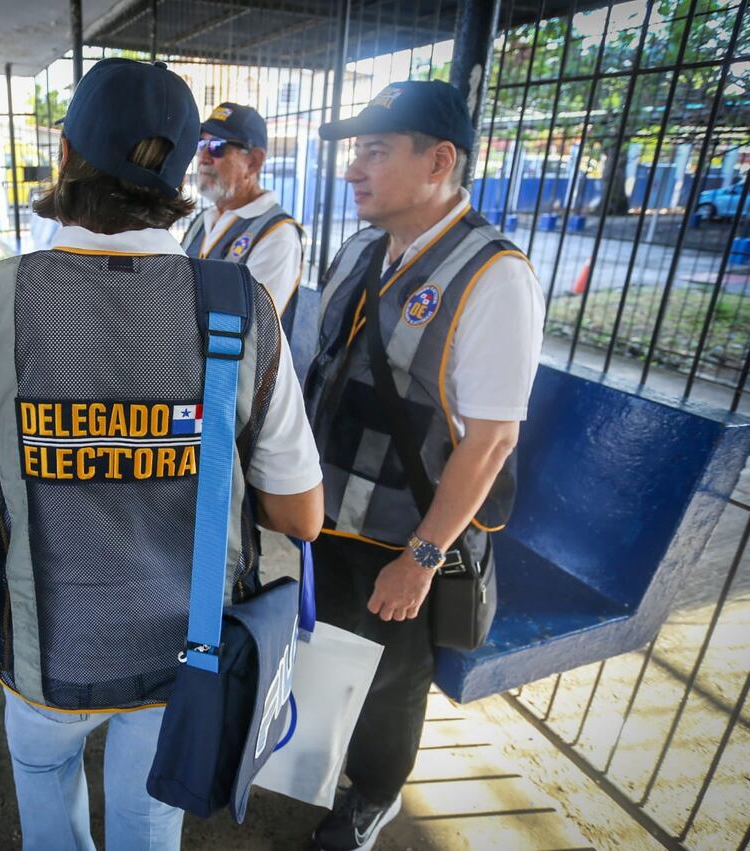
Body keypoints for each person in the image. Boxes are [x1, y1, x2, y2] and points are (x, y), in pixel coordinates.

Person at [0, 59, 324, 850]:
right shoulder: (240, 307)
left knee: (49, 818)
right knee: (146, 824)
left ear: (65, 154)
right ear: (182, 175)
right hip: (186, 657)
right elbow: (301, 515)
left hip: (42, 653)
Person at [303, 80, 544, 851]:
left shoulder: (493, 277)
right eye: (355, 151)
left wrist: (422, 557)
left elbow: (492, 440)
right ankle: (315, 763)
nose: (353, 169)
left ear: (439, 161)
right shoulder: (360, 249)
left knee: (391, 679)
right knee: (326, 649)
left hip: (402, 533)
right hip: (324, 511)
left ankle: (374, 793)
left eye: (374, 151)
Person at [181, 102, 305, 333]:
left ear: (254, 161)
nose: (204, 157)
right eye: (201, 144)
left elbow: (251, 327)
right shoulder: (203, 220)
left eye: (217, 146)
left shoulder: (277, 235)